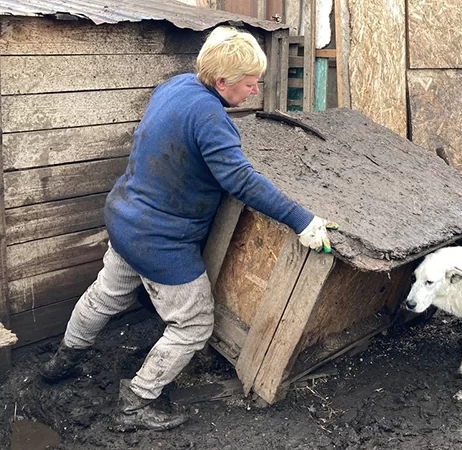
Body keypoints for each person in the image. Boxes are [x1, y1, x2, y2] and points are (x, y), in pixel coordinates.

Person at [40, 26, 337, 432]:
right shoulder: (211, 117)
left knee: (106, 294)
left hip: (126, 215)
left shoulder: (176, 85)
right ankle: (136, 402)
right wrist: (303, 220)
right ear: (221, 82)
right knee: (195, 324)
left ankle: (62, 361)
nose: (254, 92)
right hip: (161, 240)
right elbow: (241, 181)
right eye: (250, 85)